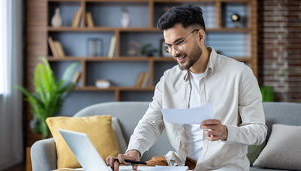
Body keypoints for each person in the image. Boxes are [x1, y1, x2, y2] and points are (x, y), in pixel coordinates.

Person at [106, 5, 267, 171]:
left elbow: (258, 131)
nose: (174, 52)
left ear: (200, 36)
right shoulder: (168, 80)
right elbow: (151, 122)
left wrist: (227, 132)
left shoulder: (239, 74)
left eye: (179, 42)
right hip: (181, 165)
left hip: (223, 167)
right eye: (168, 46)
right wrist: (134, 150)